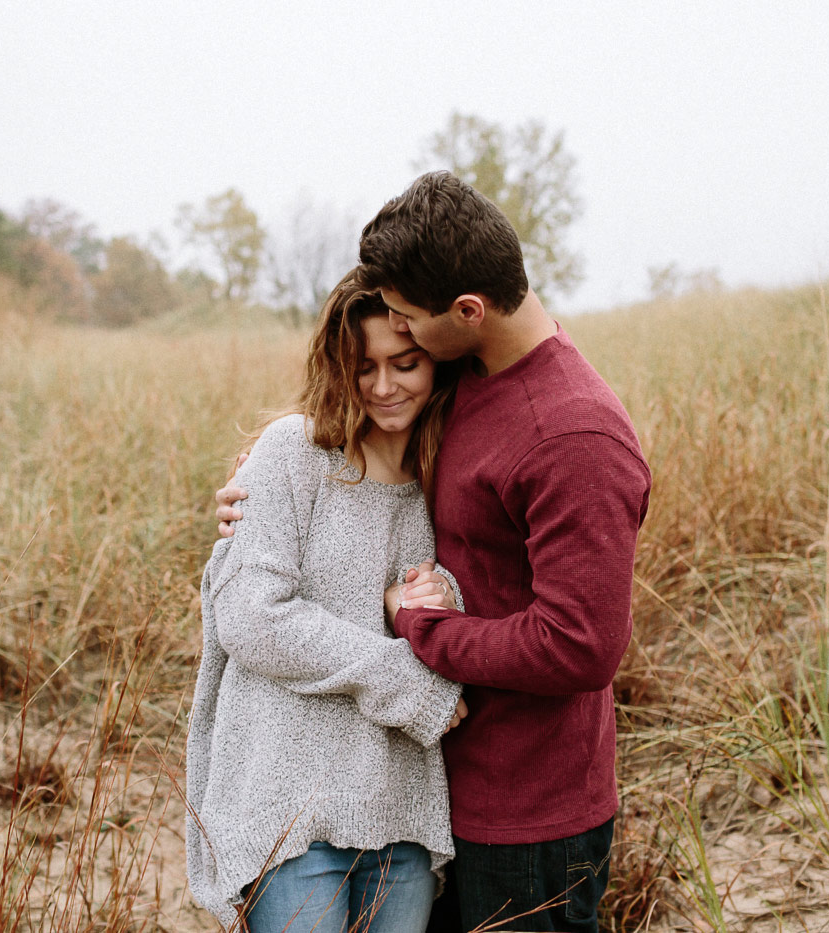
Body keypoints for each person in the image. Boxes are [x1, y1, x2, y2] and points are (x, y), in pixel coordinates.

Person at [216, 171, 652, 933]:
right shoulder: (466, 385)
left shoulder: (572, 433)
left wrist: (423, 631)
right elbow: (338, 470)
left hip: (528, 812)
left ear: (467, 313)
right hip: (436, 795)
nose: (401, 337)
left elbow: (581, 646)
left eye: (410, 326)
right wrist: (251, 506)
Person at [186, 269, 473, 933]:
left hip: (399, 810)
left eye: (405, 364)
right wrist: (404, 673)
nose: (382, 386)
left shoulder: (451, 472)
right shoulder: (295, 451)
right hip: (292, 812)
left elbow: (471, 606)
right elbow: (253, 617)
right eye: (362, 365)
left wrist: (438, 602)